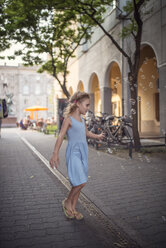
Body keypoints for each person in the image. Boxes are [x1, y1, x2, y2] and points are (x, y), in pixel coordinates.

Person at [49, 91, 104, 220]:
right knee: (81, 181)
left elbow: (86, 133)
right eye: (87, 105)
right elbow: (61, 136)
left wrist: (98, 136)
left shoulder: (82, 120)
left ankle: (73, 208)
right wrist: (55, 153)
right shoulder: (69, 119)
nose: (88, 108)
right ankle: (68, 201)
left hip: (83, 152)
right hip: (73, 153)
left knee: (81, 182)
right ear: (78, 104)